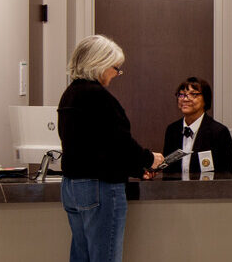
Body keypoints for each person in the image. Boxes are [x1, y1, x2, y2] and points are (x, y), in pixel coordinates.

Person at [56, 35, 160, 262]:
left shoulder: (70, 94)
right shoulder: (97, 96)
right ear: (99, 64)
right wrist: (148, 159)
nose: (116, 74)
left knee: (81, 255)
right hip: (99, 187)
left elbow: (95, 145)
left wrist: (136, 168)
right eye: (115, 68)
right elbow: (118, 143)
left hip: (72, 186)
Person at [159, 77, 232, 177]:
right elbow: (168, 171)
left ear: (205, 99)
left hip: (207, 190)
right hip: (176, 190)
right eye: (181, 94)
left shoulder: (219, 132)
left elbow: (225, 173)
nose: (185, 99)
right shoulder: (172, 130)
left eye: (193, 94)